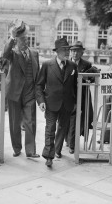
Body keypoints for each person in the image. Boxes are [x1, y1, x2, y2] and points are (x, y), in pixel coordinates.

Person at [36, 37, 78, 167]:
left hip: (67, 104)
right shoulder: (48, 65)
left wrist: (75, 102)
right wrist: (41, 101)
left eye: (68, 49)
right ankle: (49, 156)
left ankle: (57, 150)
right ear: (57, 51)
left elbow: (74, 87)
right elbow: (38, 85)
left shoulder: (72, 66)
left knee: (62, 128)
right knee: (50, 129)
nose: (67, 52)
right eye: (64, 50)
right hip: (50, 103)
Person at [3, 19, 40, 158]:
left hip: (30, 93)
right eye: (22, 39)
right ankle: (17, 148)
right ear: (17, 40)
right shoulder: (12, 53)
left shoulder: (34, 53)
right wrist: (12, 36)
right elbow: (4, 54)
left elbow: (38, 75)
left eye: (27, 38)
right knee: (14, 123)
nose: (26, 41)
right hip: (14, 92)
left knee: (31, 122)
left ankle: (31, 151)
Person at [66, 41, 99, 154]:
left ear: (82, 52)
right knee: (65, 120)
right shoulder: (65, 62)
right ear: (70, 52)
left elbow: (92, 79)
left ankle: (72, 144)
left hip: (82, 96)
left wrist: (90, 77)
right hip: (68, 96)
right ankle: (68, 139)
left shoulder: (87, 64)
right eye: (73, 51)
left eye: (78, 51)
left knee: (79, 120)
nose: (75, 53)